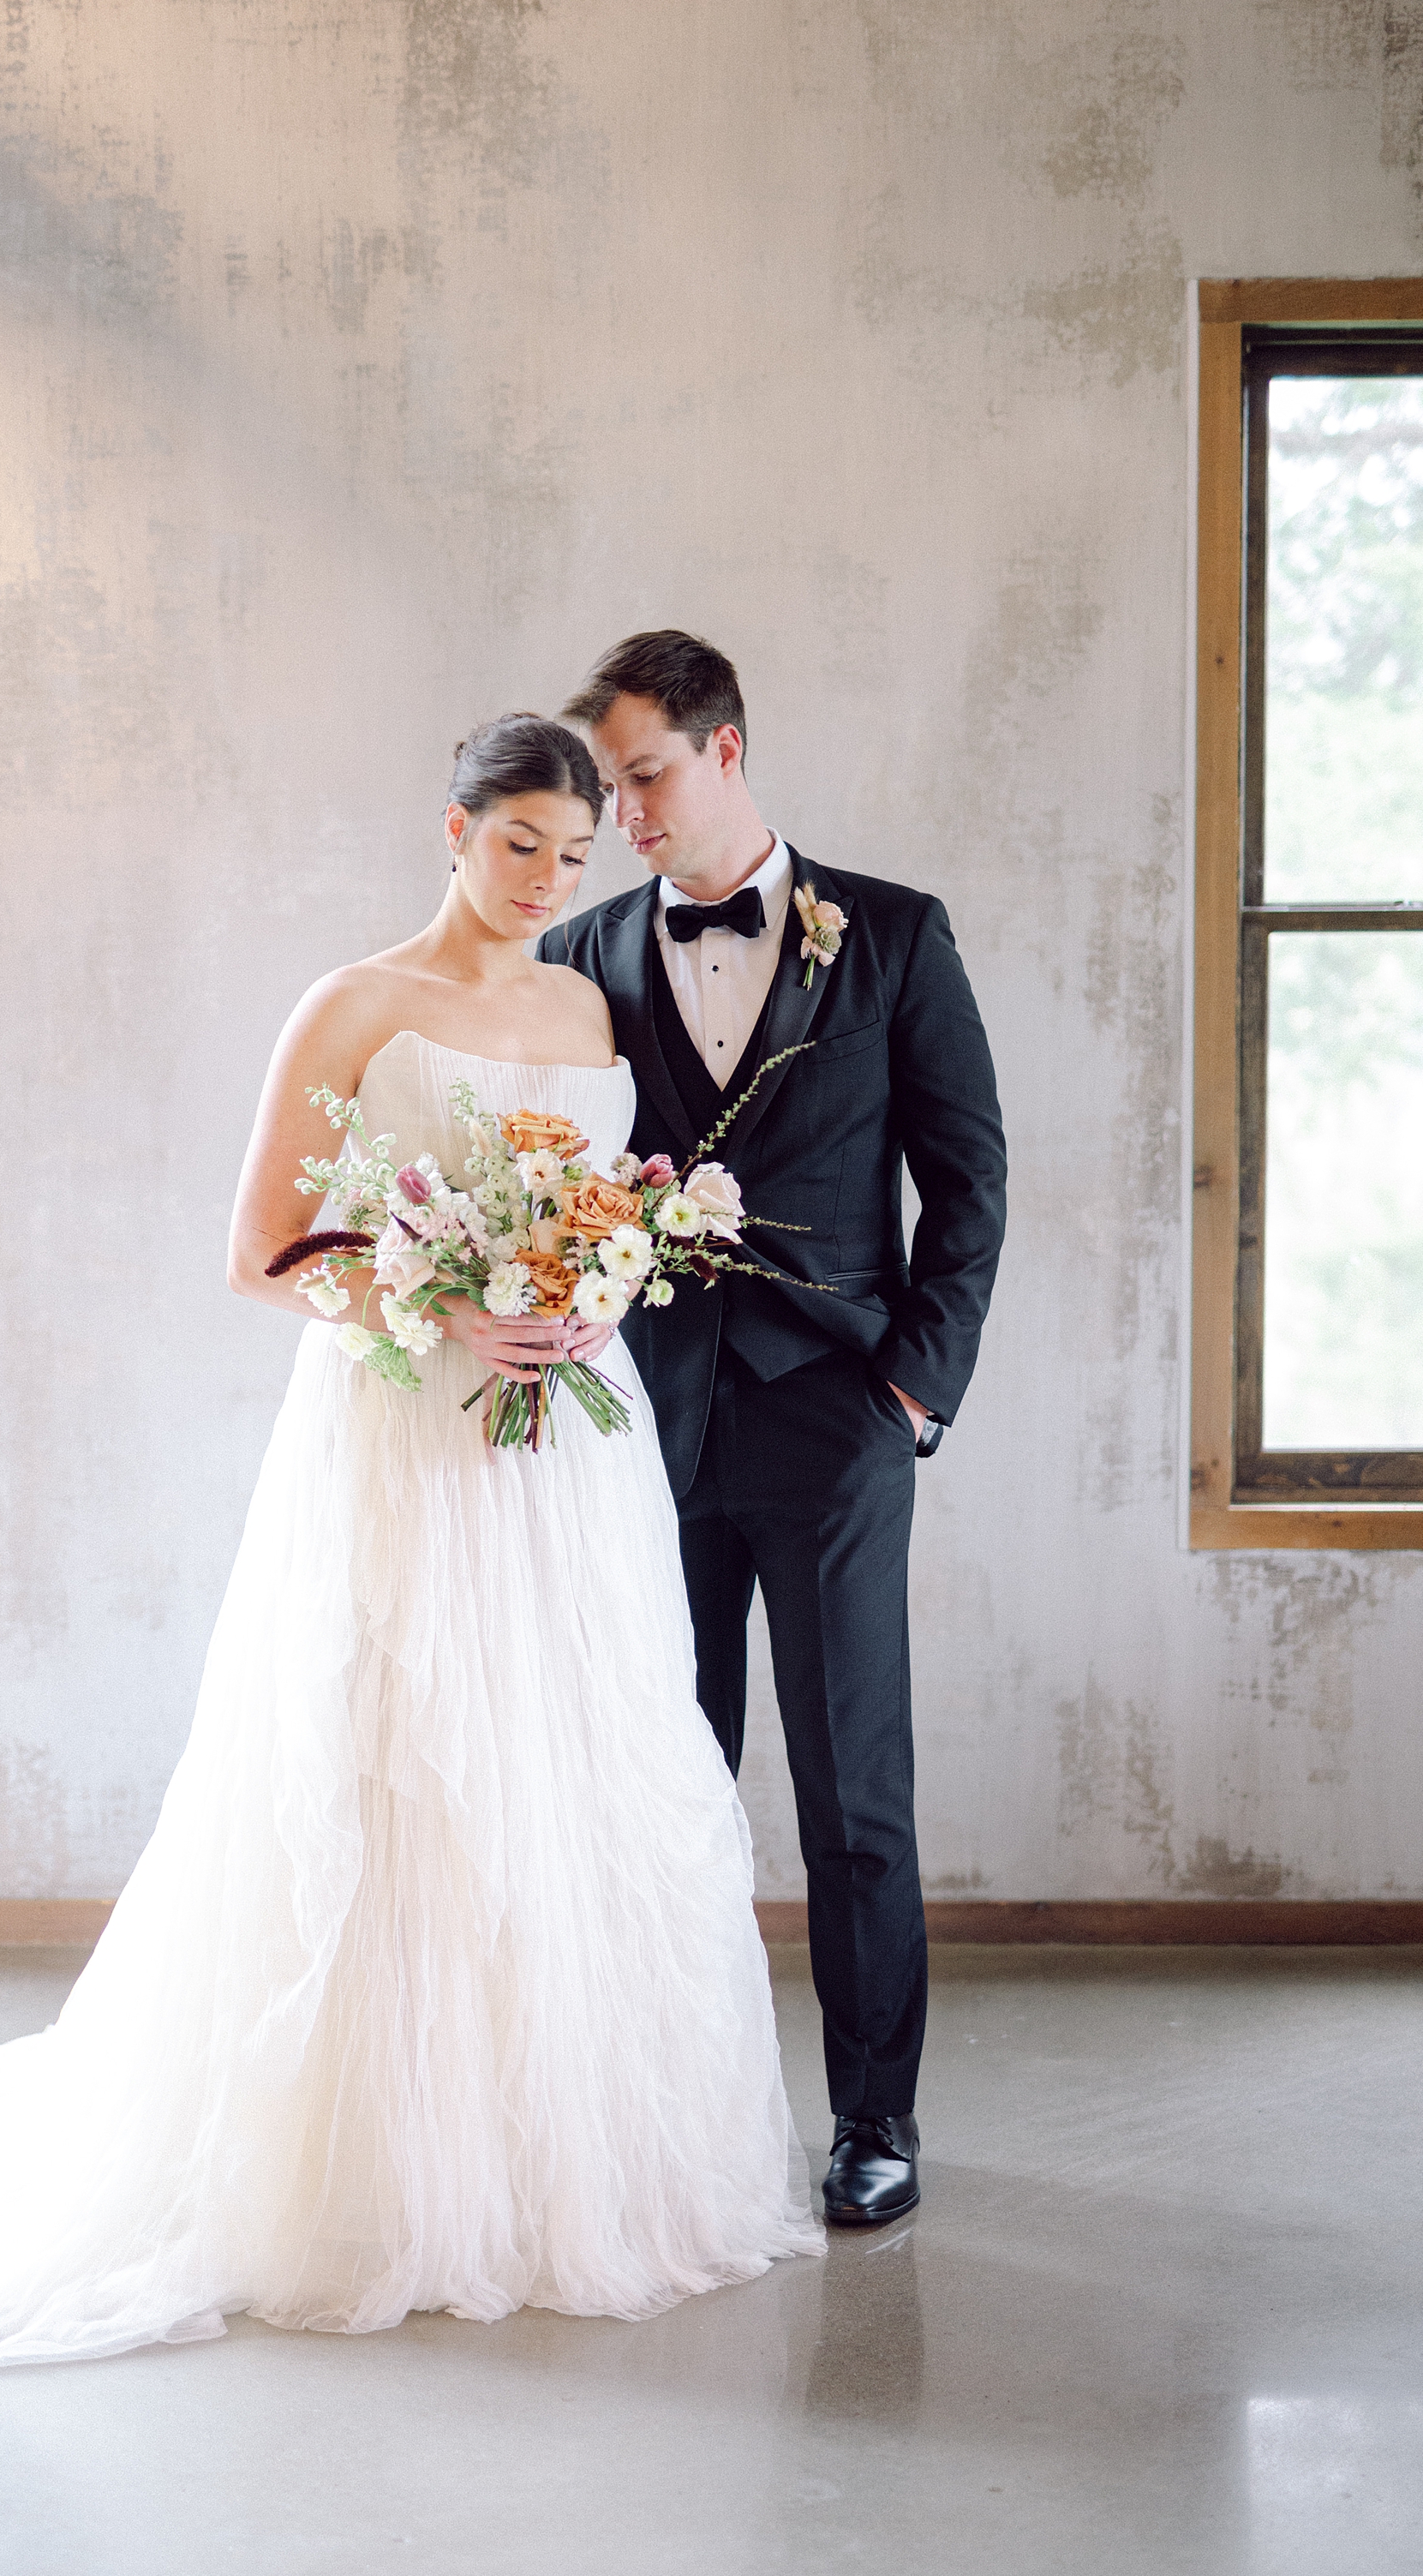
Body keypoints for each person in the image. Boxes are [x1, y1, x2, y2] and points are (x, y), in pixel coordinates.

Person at [0, 713, 820, 2408]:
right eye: (518, 841)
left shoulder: (586, 1009)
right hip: (399, 1432)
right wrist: (447, 1295)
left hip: (560, 1462)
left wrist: (584, 1288)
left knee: (566, 1754)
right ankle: (367, 2174)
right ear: (447, 826)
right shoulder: (353, 1004)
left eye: (572, 856)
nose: (542, 881)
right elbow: (263, 1250)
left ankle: (549, 2161)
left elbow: (609, 1209)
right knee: (395, 1751)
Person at [539, 634, 1006, 2227]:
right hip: (641, 1432)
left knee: (850, 1790)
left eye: (647, 775)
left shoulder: (890, 935)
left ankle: (877, 2118)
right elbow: (554, 1173)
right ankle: (668, 2116)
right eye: (609, 787)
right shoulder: (582, 953)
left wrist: (912, 1390)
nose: (626, 814)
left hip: (835, 1424)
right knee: (663, 1778)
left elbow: (970, 1178)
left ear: (727, 751)